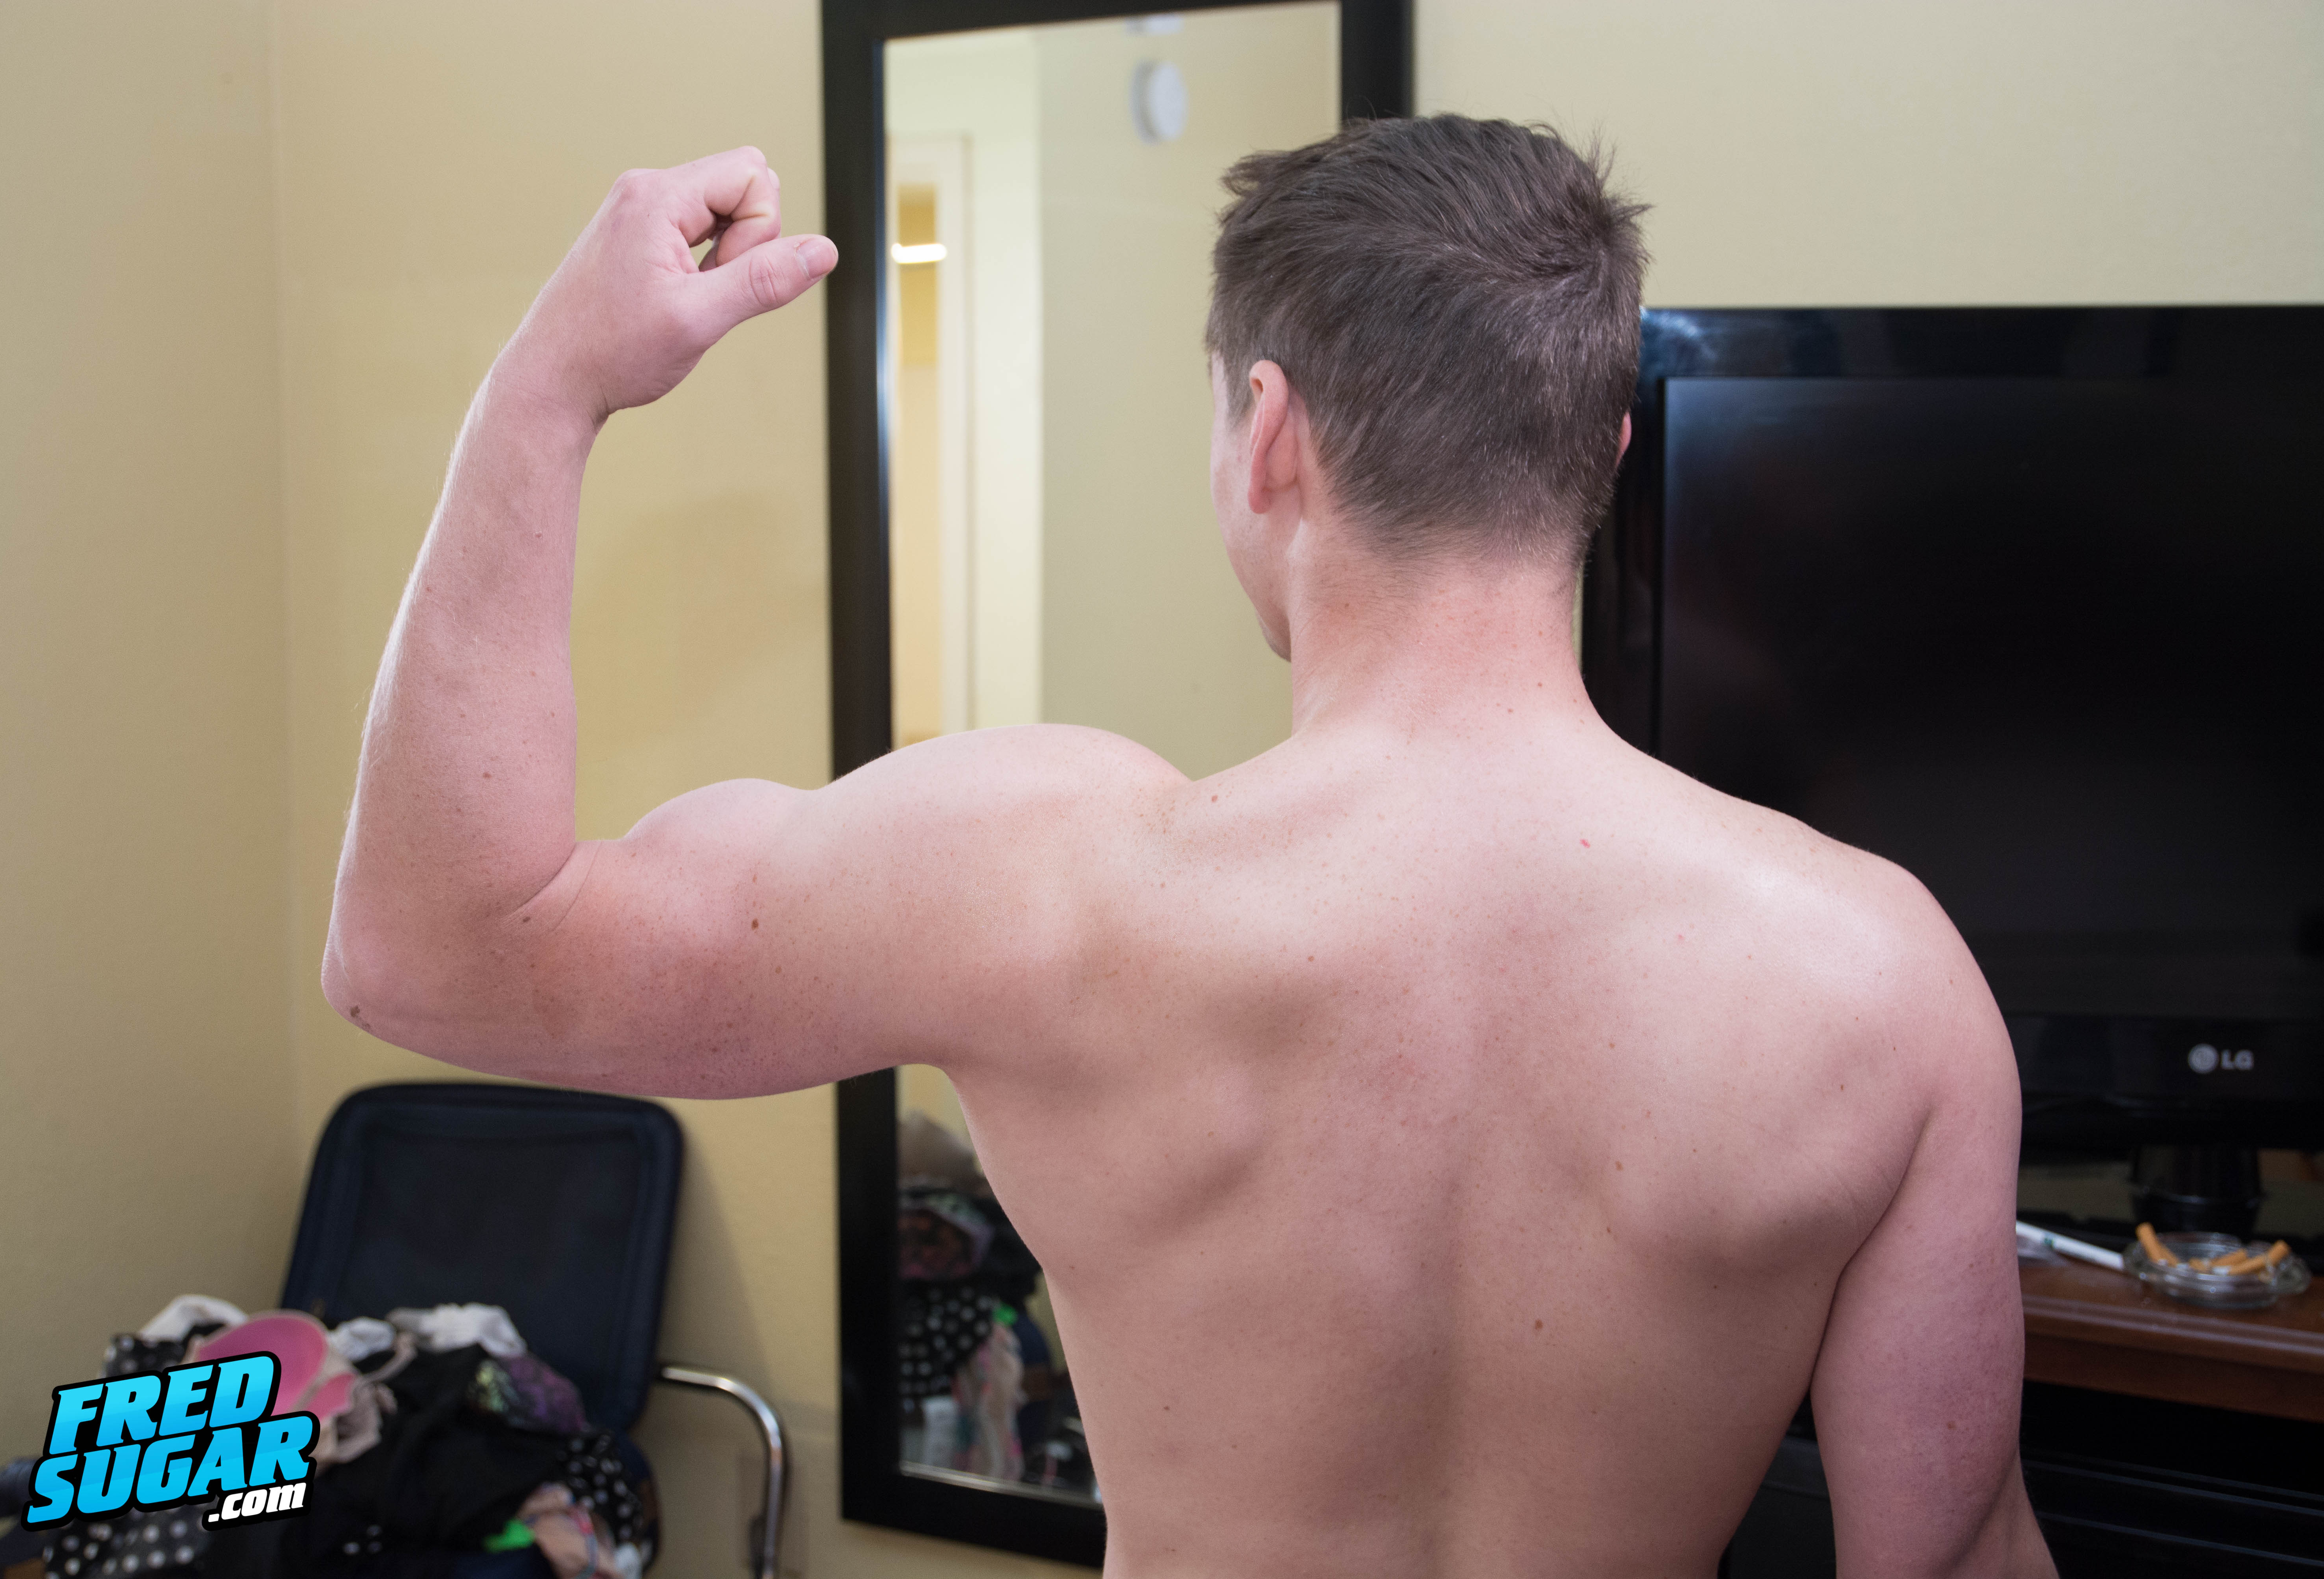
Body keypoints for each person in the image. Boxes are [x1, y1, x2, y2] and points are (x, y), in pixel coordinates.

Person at [324, 116, 2056, 1577]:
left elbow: (431, 956)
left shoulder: (1043, 881)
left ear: (1270, 431)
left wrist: (550, 387)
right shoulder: (1884, 976)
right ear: (1604, 451)